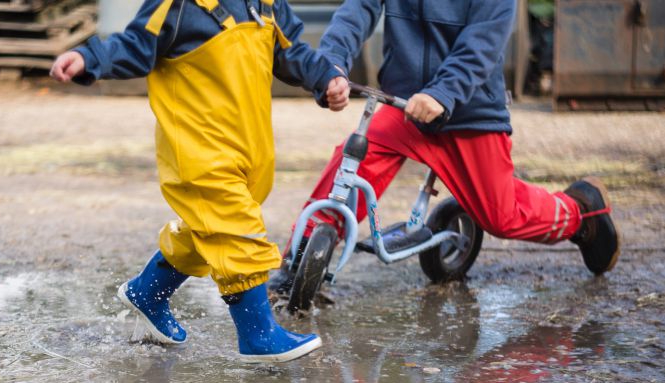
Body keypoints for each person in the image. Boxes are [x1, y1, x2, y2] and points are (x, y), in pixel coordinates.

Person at [50, 0, 350, 363]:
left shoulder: (265, 4)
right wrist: (89, 58)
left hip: (248, 147)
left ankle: (149, 291)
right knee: (237, 231)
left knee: (208, 229)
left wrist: (326, 78)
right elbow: (134, 45)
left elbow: (291, 51)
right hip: (198, 149)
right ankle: (258, 335)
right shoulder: (177, 6)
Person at [270, 0, 619, 296]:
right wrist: (332, 65)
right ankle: (299, 259)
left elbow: (484, 41)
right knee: (352, 164)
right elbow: (357, 10)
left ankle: (580, 212)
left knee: (503, 216)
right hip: (402, 104)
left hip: (468, 111)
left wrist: (442, 93)